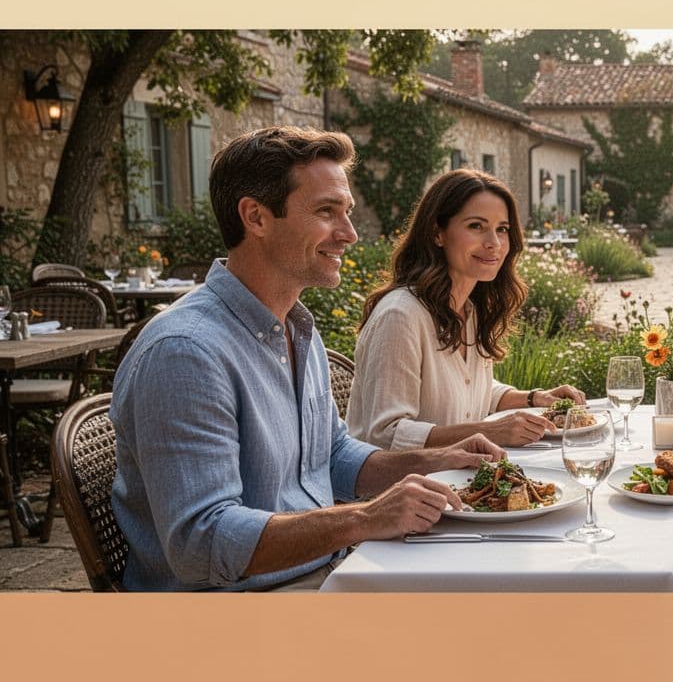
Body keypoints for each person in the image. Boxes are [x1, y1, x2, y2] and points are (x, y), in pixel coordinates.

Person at [111, 126, 507, 592]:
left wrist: (435, 459)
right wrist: (362, 518)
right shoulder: (186, 353)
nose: (350, 234)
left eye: (347, 212)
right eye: (326, 212)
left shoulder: (296, 329)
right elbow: (201, 542)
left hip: (321, 574)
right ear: (255, 217)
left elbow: (334, 455)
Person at [347, 168, 583, 450]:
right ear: (437, 233)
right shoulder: (401, 316)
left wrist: (535, 398)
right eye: (476, 226)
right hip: (401, 489)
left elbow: (469, 393)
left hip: (456, 479)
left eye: (502, 229)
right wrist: (489, 432)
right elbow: (385, 433)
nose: (493, 243)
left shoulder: (468, 310)